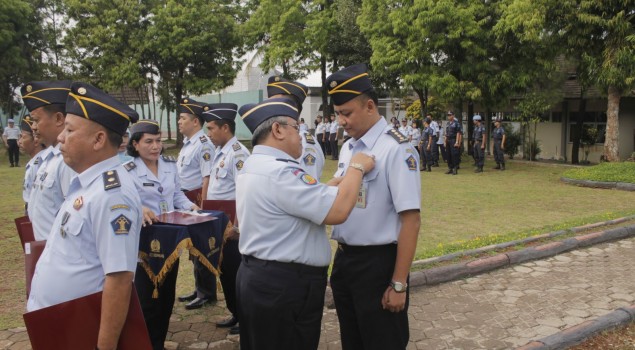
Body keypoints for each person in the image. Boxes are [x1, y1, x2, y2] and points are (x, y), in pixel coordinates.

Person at [235, 97, 375, 350]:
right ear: (277, 130)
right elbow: (338, 211)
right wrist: (357, 167)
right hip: (285, 286)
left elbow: (296, 201)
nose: (302, 136)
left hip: (260, 277)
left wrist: (333, 184)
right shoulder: (281, 172)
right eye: (296, 128)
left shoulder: (255, 165)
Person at [27, 82, 142, 350]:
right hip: (59, 323)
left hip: (80, 329)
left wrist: (105, 346)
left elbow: (119, 278)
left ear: (99, 139)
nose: (60, 138)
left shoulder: (113, 195)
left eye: (69, 130)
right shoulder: (87, 184)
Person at [327, 64, 421, 350]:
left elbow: (411, 220)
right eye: (337, 114)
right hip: (345, 261)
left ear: (369, 106)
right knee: (352, 342)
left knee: (383, 342)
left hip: (378, 265)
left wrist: (398, 283)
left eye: (347, 113)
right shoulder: (349, 147)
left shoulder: (396, 148)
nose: (341, 121)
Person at [124, 119, 198, 350]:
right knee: (146, 301)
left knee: (166, 299)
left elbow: (177, 196)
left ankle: (158, 343)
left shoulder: (169, 165)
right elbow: (120, 203)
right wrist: (138, 208)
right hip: (143, 244)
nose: (155, 146)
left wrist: (192, 208)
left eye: (158, 141)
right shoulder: (126, 170)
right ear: (135, 144)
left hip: (169, 241)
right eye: (149, 142)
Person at [202, 103, 249, 335]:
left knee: (236, 272)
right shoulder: (221, 152)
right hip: (220, 223)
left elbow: (244, 192)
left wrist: (238, 228)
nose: (208, 133)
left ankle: (245, 317)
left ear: (226, 127)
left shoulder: (238, 154)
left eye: (211, 128)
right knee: (226, 273)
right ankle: (235, 312)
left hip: (233, 228)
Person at [175, 97, 217, 310]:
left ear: (195, 122)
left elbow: (207, 177)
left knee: (201, 247)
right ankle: (199, 288)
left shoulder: (203, 145)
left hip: (197, 199)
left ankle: (207, 292)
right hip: (186, 199)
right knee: (192, 248)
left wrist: (205, 206)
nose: (179, 121)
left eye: (182, 118)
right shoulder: (187, 144)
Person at [21, 80, 75, 241]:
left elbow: (72, 217)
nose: (34, 128)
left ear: (59, 118)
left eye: (37, 120)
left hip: (59, 252)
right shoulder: (49, 157)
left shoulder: (68, 160)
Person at [266, 75, 325, 180]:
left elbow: (308, 190)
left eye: (275, 102)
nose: (268, 106)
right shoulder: (275, 136)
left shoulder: (304, 143)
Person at [18, 116, 46, 209]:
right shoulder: (33, 162)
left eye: (23, 137)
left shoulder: (39, 163)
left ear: (35, 140)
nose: (19, 142)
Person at [444, 111, 463, 175]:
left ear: (453, 115)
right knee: (448, 155)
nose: (449, 116)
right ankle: (450, 168)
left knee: (454, 155)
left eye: (450, 115)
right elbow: (446, 133)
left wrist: (457, 142)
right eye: (448, 115)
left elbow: (458, 133)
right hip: (448, 140)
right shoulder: (448, 123)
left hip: (453, 140)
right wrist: (445, 141)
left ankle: (455, 168)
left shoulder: (456, 123)